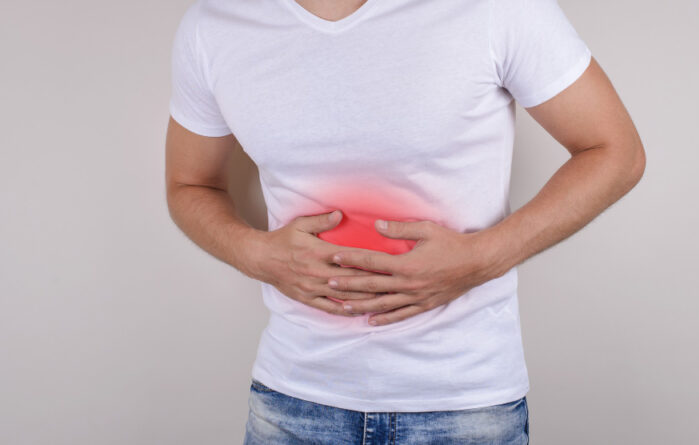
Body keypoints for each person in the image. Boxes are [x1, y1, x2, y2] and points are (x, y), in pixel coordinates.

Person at [165, 0, 645, 443]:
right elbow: (190, 184)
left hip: (464, 406)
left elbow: (615, 152)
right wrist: (256, 255)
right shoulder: (216, 24)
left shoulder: (495, 7)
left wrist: (481, 259)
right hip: (293, 403)